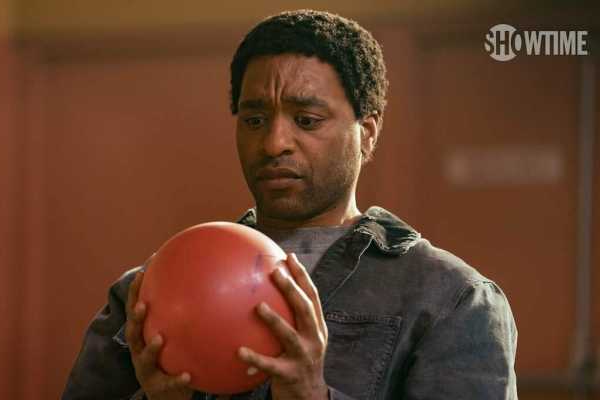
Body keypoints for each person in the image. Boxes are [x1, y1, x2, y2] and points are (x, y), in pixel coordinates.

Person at [62, 9, 518, 400]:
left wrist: (314, 396)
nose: (274, 142)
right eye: (254, 120)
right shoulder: (147, 293)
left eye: (307, 119)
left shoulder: (451, 299)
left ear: (368, 131)